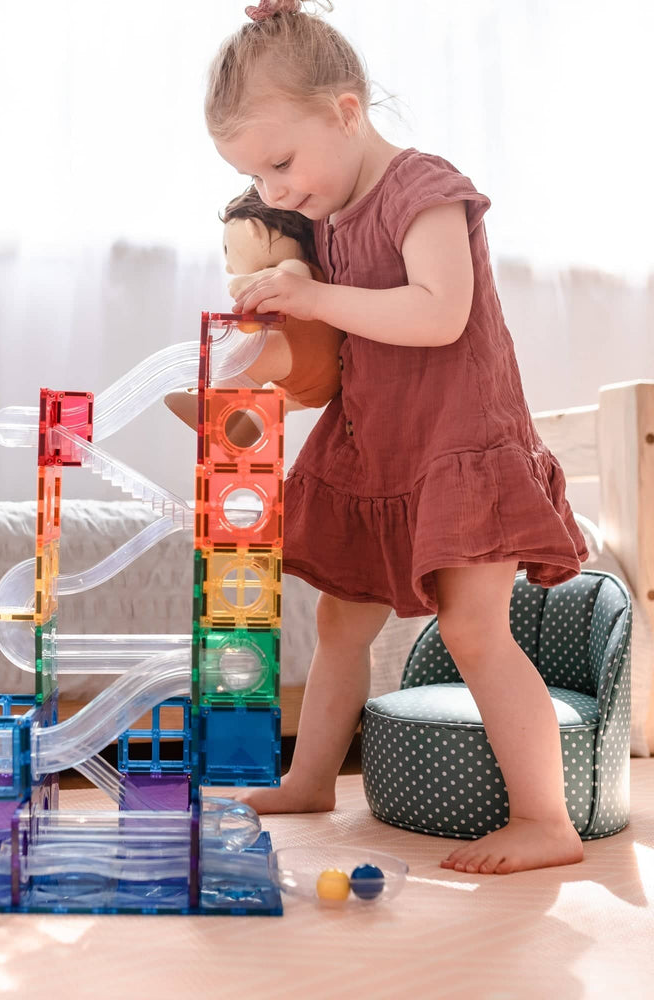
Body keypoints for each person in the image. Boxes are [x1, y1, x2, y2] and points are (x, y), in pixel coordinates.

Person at [205, 0, 589, 875]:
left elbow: (438, 312)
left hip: (461, 444)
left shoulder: (423, 189)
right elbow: (331, 349)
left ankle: (546, 820)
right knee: (340, 619)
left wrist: (313, 295)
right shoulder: (326, 221)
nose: (274, 192)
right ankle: (311, 779)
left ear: (347, 111)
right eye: (254, 176)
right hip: (379, 448)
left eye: (281, 163)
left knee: (474, 631)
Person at [164, 185, 344, 445]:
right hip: (311, 380)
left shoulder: (295, 267)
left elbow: (288, 279)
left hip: (308, 356)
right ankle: (246, 428)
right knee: (273, 396)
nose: (229, 267)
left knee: (243, 358)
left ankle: (213, 406)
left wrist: (251, 282)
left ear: (253, 230)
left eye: (228, 250)